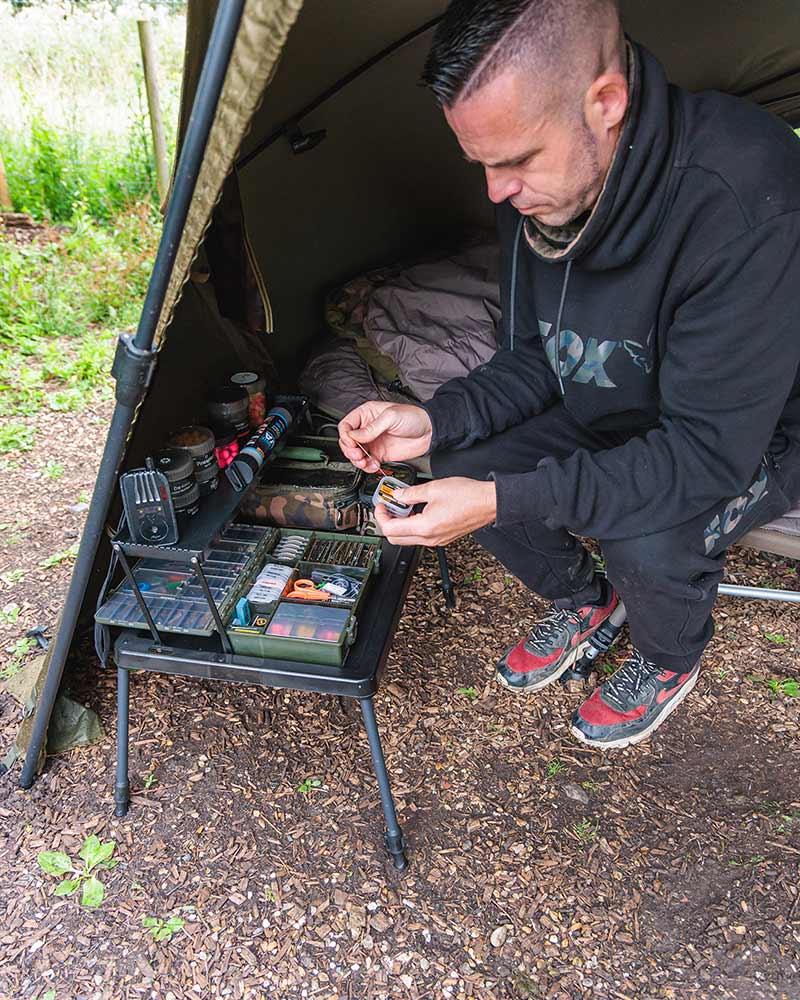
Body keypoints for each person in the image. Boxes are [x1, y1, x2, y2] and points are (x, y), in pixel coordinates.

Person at [338, 0, 800, 749]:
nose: (497, 191)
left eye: (517, 160)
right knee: (459, 458)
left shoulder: (746, 195)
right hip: (622, 403)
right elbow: (540, 355)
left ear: (605, 103)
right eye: (483, 164)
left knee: (642, 538)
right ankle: (587, 601)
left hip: (752, 435)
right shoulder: (533, 193)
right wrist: (433, 419)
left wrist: (503, 500)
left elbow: (704, 457)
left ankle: (668, 656)